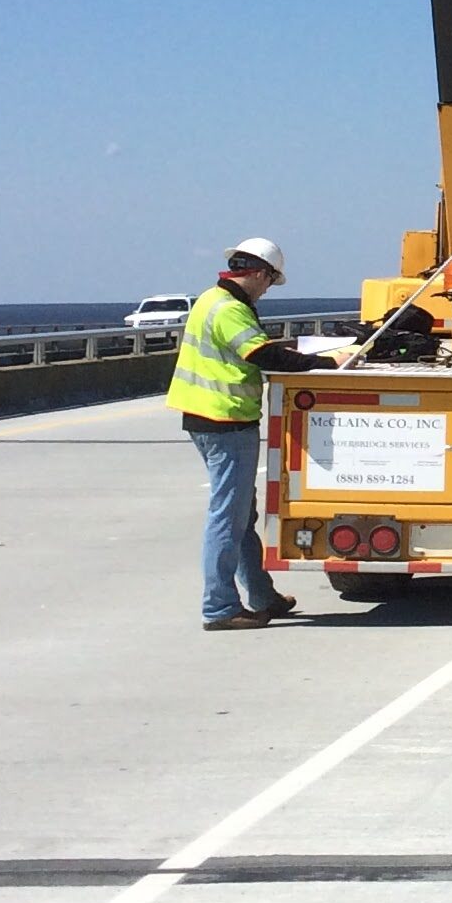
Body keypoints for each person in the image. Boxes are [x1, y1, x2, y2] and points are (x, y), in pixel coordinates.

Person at [166, 237, 320, 630]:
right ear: (258, 273)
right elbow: (262, 356)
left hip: (206, 418)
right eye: (271, 280)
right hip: (226, 421)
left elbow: (252, 349)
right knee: (227, 517)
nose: (269, 288)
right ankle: (219, 608)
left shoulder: (210, 299)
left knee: (241, 514)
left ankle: (261, 594)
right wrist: (324, 361)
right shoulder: (231, 310)